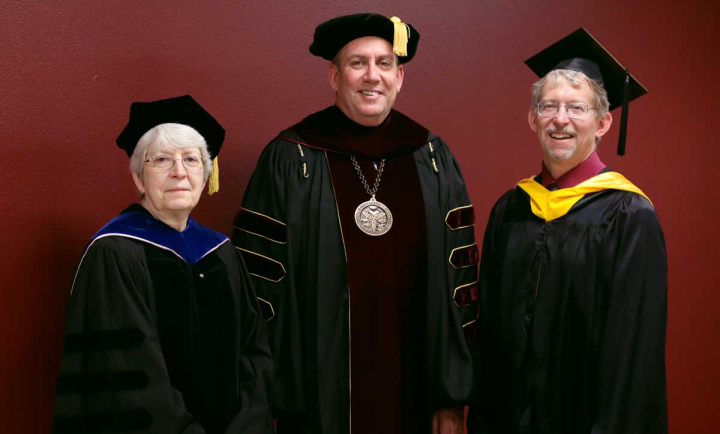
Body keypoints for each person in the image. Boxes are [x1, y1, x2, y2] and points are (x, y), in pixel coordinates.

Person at [232, 13, 478, 434]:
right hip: (316, 396)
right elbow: (260, 290)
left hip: (416, 390)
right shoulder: (292, 158)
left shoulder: (432, 159)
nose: (372, 76)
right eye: (357, 63)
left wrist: (450, 395)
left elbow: (460, 287)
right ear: (334, 75)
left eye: (384, 63)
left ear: (400, 77)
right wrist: (272, 398)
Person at [468, 28, 668, 433]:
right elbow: (487, 332)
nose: (561, 120)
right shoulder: (511, 209)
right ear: (532, 118)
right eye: (549, 107)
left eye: (577, 108)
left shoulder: (629, 216)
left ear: (603, 123)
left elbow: (633, 355)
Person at [52, 95, 273, 434]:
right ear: (139, 178)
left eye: (192, 159)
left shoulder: (222, 252)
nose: (179, 172)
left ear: (206, 173)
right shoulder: (114, 252)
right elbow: (126, 375)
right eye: (162, 160)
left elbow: (253, 352)